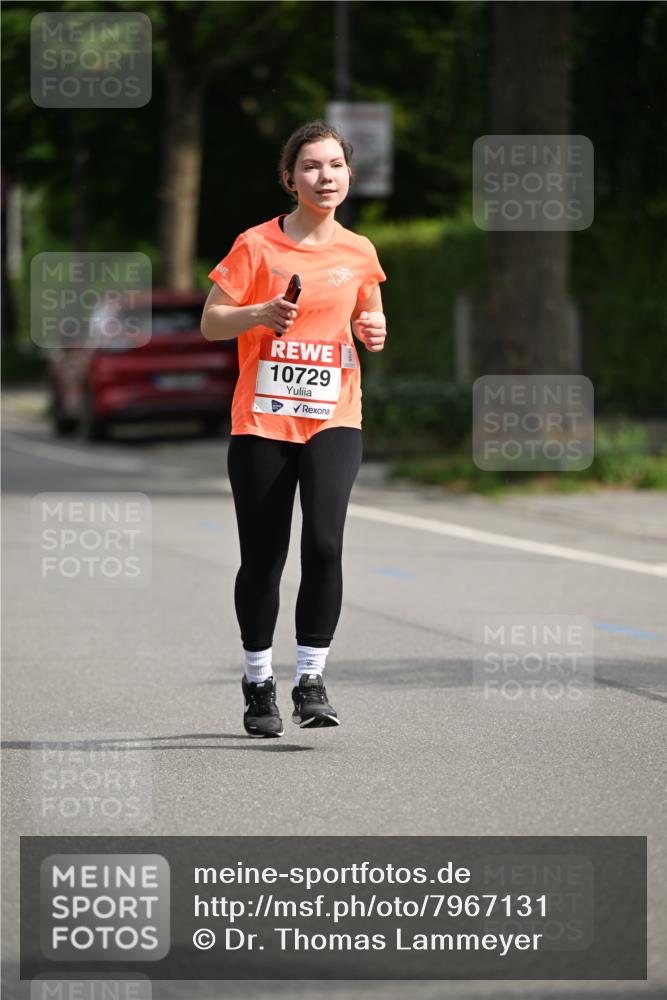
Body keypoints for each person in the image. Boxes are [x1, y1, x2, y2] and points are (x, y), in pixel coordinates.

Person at [201, 120, 387, 738]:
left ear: (349, 176)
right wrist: (258, 311)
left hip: (335, 414)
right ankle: (259, 681)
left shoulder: (360, 250)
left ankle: (311, 677)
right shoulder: (256, 245)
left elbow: (368, 308)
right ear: (290, 178)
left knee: (326, 544)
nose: (324, 176)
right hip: (262, 419)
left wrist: (375, 328)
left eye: (334, 166)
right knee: (263, 557)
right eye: (311, 166)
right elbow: (211, 323)